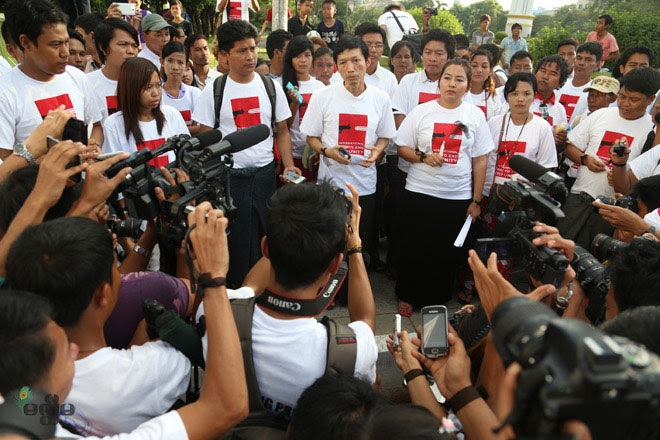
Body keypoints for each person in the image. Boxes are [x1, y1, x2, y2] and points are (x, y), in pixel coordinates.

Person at [0, 203, 250, 440]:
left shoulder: (18, 401)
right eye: (64, 352)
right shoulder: (148, 369)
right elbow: (226, 404)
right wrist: (212, 276)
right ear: (103, 294)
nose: (72, 349)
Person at [196, 182, 378, 426]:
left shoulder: (217, 310)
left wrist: (287, 229)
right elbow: (365, 321)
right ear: (335, 264)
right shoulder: (352, 351)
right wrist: (354, 245)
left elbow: (250, 288)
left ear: (265, 248)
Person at [192, 19, 298, 287]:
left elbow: (282, 131)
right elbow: (208, 140)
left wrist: (287, 165)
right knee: (235, 242)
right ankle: (235, 295)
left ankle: (263, 292)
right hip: (229, 180)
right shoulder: (214, 92)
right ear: (225, 55)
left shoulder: (270, 87)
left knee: (266, 239)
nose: (250, 56)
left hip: (264, 177)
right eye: (241, 50)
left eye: (252, 48)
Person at [393, 58, 494, 312]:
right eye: (447, 78)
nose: (452, 84)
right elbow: (402, 147)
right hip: (419, 192)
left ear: (468, 85)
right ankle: (407, 294)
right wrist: (423, 157)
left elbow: (480, 160)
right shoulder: (422, 112)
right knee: (414, 245)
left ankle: (436, 298)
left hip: (456, 196)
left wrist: (476, 200)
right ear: (439, 82)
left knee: (446, 252)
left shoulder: (475, 115)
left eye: (459, 79)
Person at [301, 36, 396, 269]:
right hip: (331, 184)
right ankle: (329, 291)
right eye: (342, 63)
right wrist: (326, 151)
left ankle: (356, 286)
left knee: (358, 242)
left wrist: (378, 152)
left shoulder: (380, 98)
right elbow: (311, 136)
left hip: (365, 184)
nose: (350, 68)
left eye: (356, 60)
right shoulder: (323, 96)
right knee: (330, 241)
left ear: (368, 60)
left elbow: (385, 135)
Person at [558, 67, 658, 249]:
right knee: (560, 244)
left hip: (612, 209)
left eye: (634, 99)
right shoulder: (601, 115)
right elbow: (569, 147)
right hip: (580, 195)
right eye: (622, 96)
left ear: (650, 99)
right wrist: (585, 159)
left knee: (593, 254)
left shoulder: (651, 131)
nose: (625, 103)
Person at [389, 29, 455, 281]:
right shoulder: (409, 83)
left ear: (448, 56)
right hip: (409, 166)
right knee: (403, 222)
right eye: (428, 52)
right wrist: (419, 153)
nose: (433, 58)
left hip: (444, 175)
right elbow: (399, 118)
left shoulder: (457, 84)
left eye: (439, 53)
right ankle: (398, 267)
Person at [0, 0, 103, 160]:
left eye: (66, 42)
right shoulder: (5, 92)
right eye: (55, 45)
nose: (65, 53)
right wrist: (53, 161)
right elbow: (5, 160)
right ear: (25, 42)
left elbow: (96, 125)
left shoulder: (77, 77)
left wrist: (93, 147)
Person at [484, 72, 557, 201]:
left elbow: (546, 167)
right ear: (506, 97)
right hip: (491, 194)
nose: (520, 99)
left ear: (534, 96)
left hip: (524, 197)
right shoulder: (494, 123)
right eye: (514, 94)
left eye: (526, 94)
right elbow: (483, 159)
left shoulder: (542, 127)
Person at [103, 57, 189, 165]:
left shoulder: (172, 115)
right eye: (148, 87)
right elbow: (114, 168)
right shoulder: (113, 124)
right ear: (131, 89)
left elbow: (187, 156)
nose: (155, 93)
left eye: (158, 85)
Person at [282, 36, 324, 180]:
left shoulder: (319, 87)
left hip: (314, 154)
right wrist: (294, 103)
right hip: (291, 156)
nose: (303, 60)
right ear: (290, 59)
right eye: (298, 56)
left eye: (307, 55)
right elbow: (283, 127)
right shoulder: (283, 86)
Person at [86, 18, 140, 123]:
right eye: (123, 44)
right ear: (103, 48)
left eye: (134, 46)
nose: (131, 51)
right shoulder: (88, 84)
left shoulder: (146, 81)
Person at [160, 41, 202, 134]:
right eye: (170, 61)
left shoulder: (195, 93)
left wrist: (173, 131)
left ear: (187, 65)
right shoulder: (157, 95)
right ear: (162, 62)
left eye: (180, 62)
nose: (175, 67)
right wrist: (192, 129)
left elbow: (202, 127)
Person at [557, 42, 602, 124]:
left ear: (598, 64)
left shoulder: (595, 92)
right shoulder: (559, 84)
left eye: (588, 60)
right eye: (579, 58)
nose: (581, 63)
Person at [532, 55, 570, 149]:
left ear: (560, 83)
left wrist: (561, 141)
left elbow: (559, 147)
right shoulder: (521, 100)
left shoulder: (559, 109)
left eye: (553, 74)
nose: (545, 76)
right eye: (542, 71)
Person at [354, 22, 398, 98]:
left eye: (378, 45)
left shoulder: (390, 79)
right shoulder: (342, 76)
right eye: (368, 45)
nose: (373, 50)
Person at [464, 48, 505, 121]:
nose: (479, 70)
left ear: (491, 70)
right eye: (474, 66)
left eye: (484, 66)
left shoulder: (494, 97)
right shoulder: (460, 93)